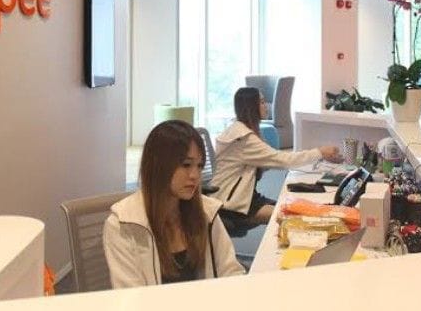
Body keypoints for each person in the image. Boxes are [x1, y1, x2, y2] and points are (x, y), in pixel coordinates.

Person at [103, 120, 245, 288]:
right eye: (186, 165)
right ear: (158, 165)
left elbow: (231, 272)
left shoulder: (207, 212)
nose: (195, 175)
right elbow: (131, 297)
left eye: (199, 166)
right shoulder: (122, 225)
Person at [210, 87, 342, 228]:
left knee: (295, 208)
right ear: (250, 107)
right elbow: (283, 160)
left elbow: (270, 160)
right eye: (261, 102)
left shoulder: (243, 131)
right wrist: (320, 152)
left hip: (243, 198)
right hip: (231, 206)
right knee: (294, 216)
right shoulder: (244, 139)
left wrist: (319, 156)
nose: (266, 106)